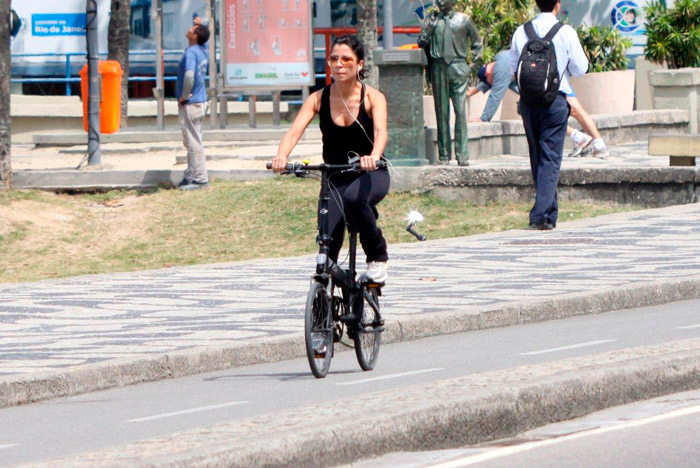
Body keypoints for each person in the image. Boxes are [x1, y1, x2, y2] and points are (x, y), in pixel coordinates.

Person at [271, 36, 391, 283]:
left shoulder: (373, 98)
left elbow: (381, 132)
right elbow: (294, 132)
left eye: (346, 59)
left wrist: (374, 156)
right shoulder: (317, 99)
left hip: (371, 173)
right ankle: (328, 303)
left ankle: (378, 257)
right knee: (327, 243)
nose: (339, 64)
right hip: (335, 176)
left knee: (354, 200)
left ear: (359, 64)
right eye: (333, 59)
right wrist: (282, 156)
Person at [509, 0, 589, 230]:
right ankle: (540, 214)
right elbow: (581, 68)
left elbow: (513, 70)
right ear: (557, 4)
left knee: (537, 156)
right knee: (551, 158)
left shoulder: (521, 31)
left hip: (528, 102)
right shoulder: (565, 32)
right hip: (554, 101)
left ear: (535, 3)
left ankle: (549, 214)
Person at [468, 51, 609, 158]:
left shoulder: (500, 70)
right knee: (550, 116)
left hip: (549, 83)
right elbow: (488, 84)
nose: (490, 85)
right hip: (543, 86)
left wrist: (484, 118)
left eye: (489, 82)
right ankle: (579, 138)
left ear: (488, 74)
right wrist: (468, 93)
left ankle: (598, 144)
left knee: (575, 110)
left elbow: (495, 94)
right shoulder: (501, 61)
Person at [418, 0, 482, 166]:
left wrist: (471, 67)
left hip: (458, 66)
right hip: (438, 67)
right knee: (441, 112)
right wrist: (429, 28)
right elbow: (420, 44)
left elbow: (477, 44)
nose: (440, 1)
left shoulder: (464, 20)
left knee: (460, 112)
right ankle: (444, 156)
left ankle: (462, 155)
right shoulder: (432, 20)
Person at [176, 22, 210, 191]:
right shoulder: (203, 50)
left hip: (191, 103)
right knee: (191, 140)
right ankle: (190, 175)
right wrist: (201, 24)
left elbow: (189, 75)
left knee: (194, 142)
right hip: (200, 101)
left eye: (192, 28)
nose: (189, 28)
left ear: (195, 36)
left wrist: (184, 95)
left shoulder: (191, 52)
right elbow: (206, 34)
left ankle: (200, 179)